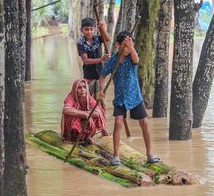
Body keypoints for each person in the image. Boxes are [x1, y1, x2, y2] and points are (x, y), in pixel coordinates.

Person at [99, 31, 160, 166]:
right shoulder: (112, 61)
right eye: (125, 46)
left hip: (135, 96)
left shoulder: (131, 57)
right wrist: (102, 90)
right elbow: (103, 76)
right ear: (118, 45)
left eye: (130, 46)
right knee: (118, 123)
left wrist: (131, 47)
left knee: (144, 123)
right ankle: (116, 156)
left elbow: (137, 60)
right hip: (120, 98)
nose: (127, 49)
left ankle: (149, 154)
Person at [61, 79, 108, 144]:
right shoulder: (71, 97)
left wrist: (87, 115)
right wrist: (84, 114)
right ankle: (69, 138)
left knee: (97, 115)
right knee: (69, 115)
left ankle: (88, 137)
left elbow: (97, 113)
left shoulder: (89, 99)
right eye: (79, 88)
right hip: (74, 132)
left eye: (84, 87)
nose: (82, 89)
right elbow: (66, 110)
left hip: (84, 127)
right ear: (75, 89)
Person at [77, 17, 111, 99]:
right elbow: (86, 61)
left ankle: (100, 111)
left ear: (94, 29)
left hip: (100, 74)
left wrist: (102, 28)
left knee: (100, 98)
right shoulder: (80, 43)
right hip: (89, 75)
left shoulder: (98, 39)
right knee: (88, 98)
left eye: (91, 29)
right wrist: (101, 59)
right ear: (82, 30)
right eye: (86, 29)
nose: (89, 32)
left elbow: (107, 39)